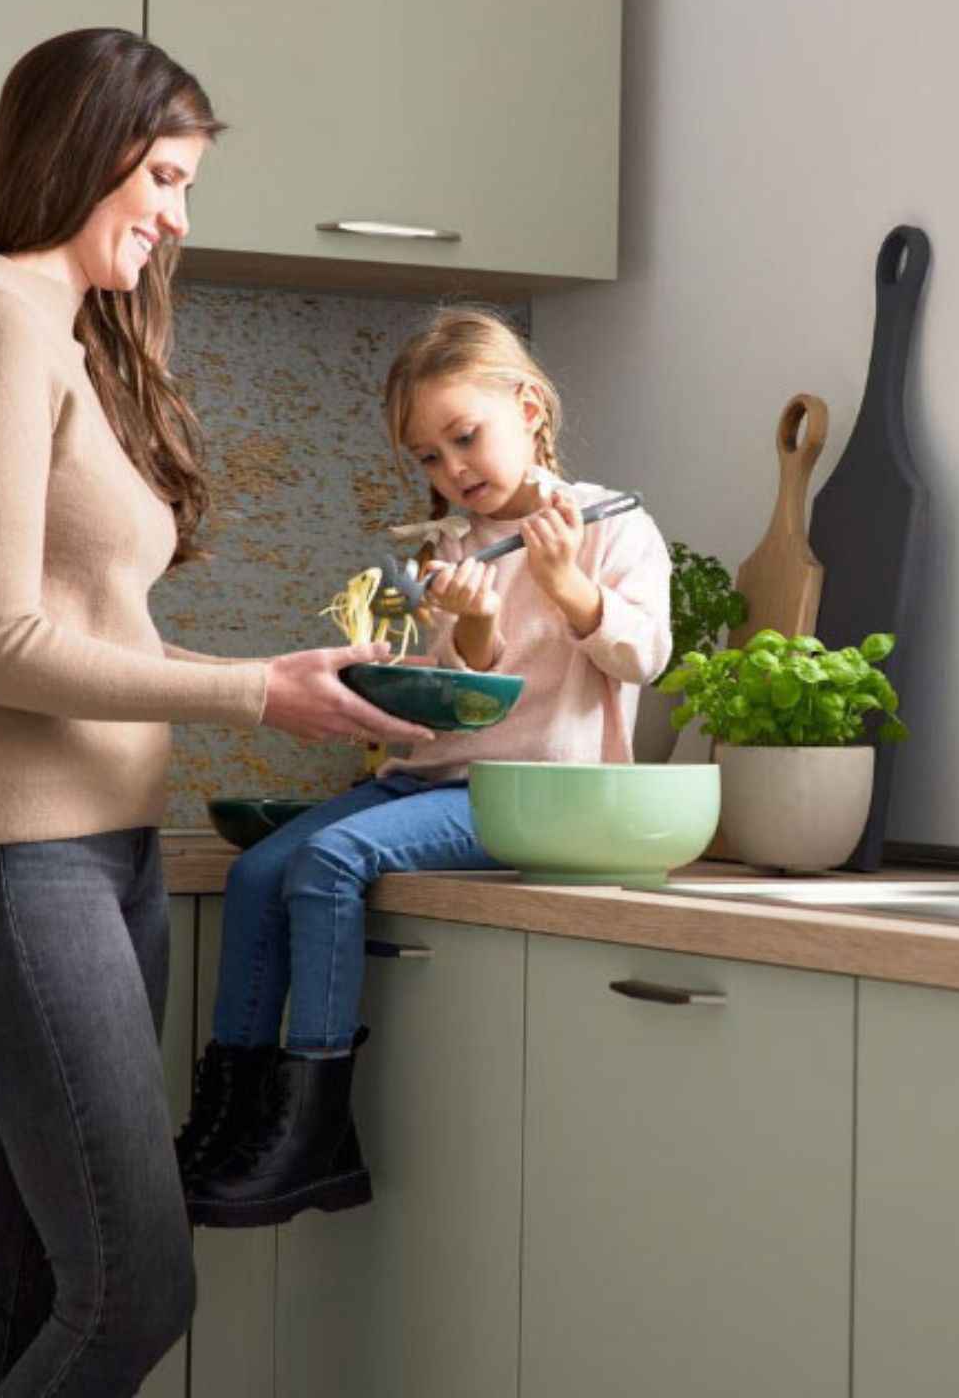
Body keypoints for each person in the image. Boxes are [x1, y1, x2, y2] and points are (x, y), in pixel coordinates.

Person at [0, 27, 432, 1398]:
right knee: (136, 1288)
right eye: (166, 179)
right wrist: (257, 691)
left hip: (92, 859)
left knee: (25, 1291)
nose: (179, 218)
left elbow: (84, 626)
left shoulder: (62, 338)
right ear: (88, 151)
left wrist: (276, 678)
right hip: (9, 868)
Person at [180, 307, 673, 1228]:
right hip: (430, 779)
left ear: (529, 408)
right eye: (429, 458)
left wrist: (568, 586)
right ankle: (233, 1122)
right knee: (256, 873)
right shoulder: (449, 547)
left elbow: (641, 659)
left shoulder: (613, 526)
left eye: (464, 438)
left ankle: (314, 1130)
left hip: (536, 795)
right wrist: (471, 625)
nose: (453, 473)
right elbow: (457, 690)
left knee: (327, 862)